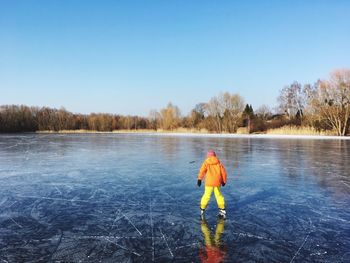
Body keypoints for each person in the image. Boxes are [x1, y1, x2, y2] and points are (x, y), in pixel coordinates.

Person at [197, 150, 227, 218]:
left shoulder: (206, 162)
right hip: (217, 182)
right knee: (218, 195)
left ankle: (202, 208)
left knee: (206, 195)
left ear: (208, 156)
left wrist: (199, 179)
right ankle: (222, 208)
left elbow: (202, 171)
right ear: (215, 156)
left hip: (209, 183)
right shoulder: (219, 163)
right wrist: (224, 181)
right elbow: (223, 173)